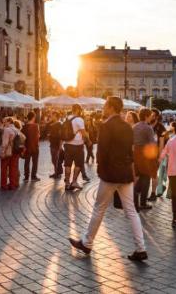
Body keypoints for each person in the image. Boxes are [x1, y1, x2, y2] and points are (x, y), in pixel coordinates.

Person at [69, 97, 147, 261]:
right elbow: (130, 151)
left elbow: (102, 151)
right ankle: (141, 248)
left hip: (110, 174)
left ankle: (87, 243)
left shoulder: (105, 126)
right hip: (125, 173)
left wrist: (99, 168)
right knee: (131, 211)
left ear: (111, 108)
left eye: (105, 106)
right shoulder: (127, 126)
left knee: (99, 208)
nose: (103, 108)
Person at [132, 108, 157, 210]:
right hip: (145, 154)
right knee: (146, 177)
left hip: (136, 153)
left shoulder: (134, 126)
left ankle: (135, 199)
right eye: (150, 115)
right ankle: (142, 202)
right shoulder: (148, 128)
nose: (151, 117)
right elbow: (152, 144)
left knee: (140, 177)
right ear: (146, 116)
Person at [62, 105, 87, 191]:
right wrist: (87, 140)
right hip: (78, 145)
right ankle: (74, 182)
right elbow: (84, 134)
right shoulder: (79, 119)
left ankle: (67, 183)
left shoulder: (67, 118)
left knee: (67, 164)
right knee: (78, 164)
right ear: (78, 110)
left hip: (67, 144)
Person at [0, 117, 22, 190]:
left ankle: (4, 185)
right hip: (15, 151)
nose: (3, 124)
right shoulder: (17, 130)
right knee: (13, 169)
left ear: (9, 122)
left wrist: (2, 152)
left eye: (4, 122)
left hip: (7, 152)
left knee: (4, 169)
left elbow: (5, 143)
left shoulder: (7, 130)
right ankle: (13, 185)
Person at [22, 111, 40, 181]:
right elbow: (38, 136)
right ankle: (33, 176)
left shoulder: (24, 126)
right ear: (33, 117)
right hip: (35, 146)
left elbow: (22, 137)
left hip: (27, 146)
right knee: (35, 162)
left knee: (27, 162)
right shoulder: (36, 126)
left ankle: (26, 177)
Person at [47, 113, 64, 178]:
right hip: (53, 144)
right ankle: (57, 172)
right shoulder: (53, 124)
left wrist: (60, 145)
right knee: (54, 159)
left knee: (56, 159)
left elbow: (61, 136)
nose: (51, 117)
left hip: (56, 145)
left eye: (52, 116)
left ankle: (57, 173)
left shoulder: (59, 124)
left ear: (56, 116)